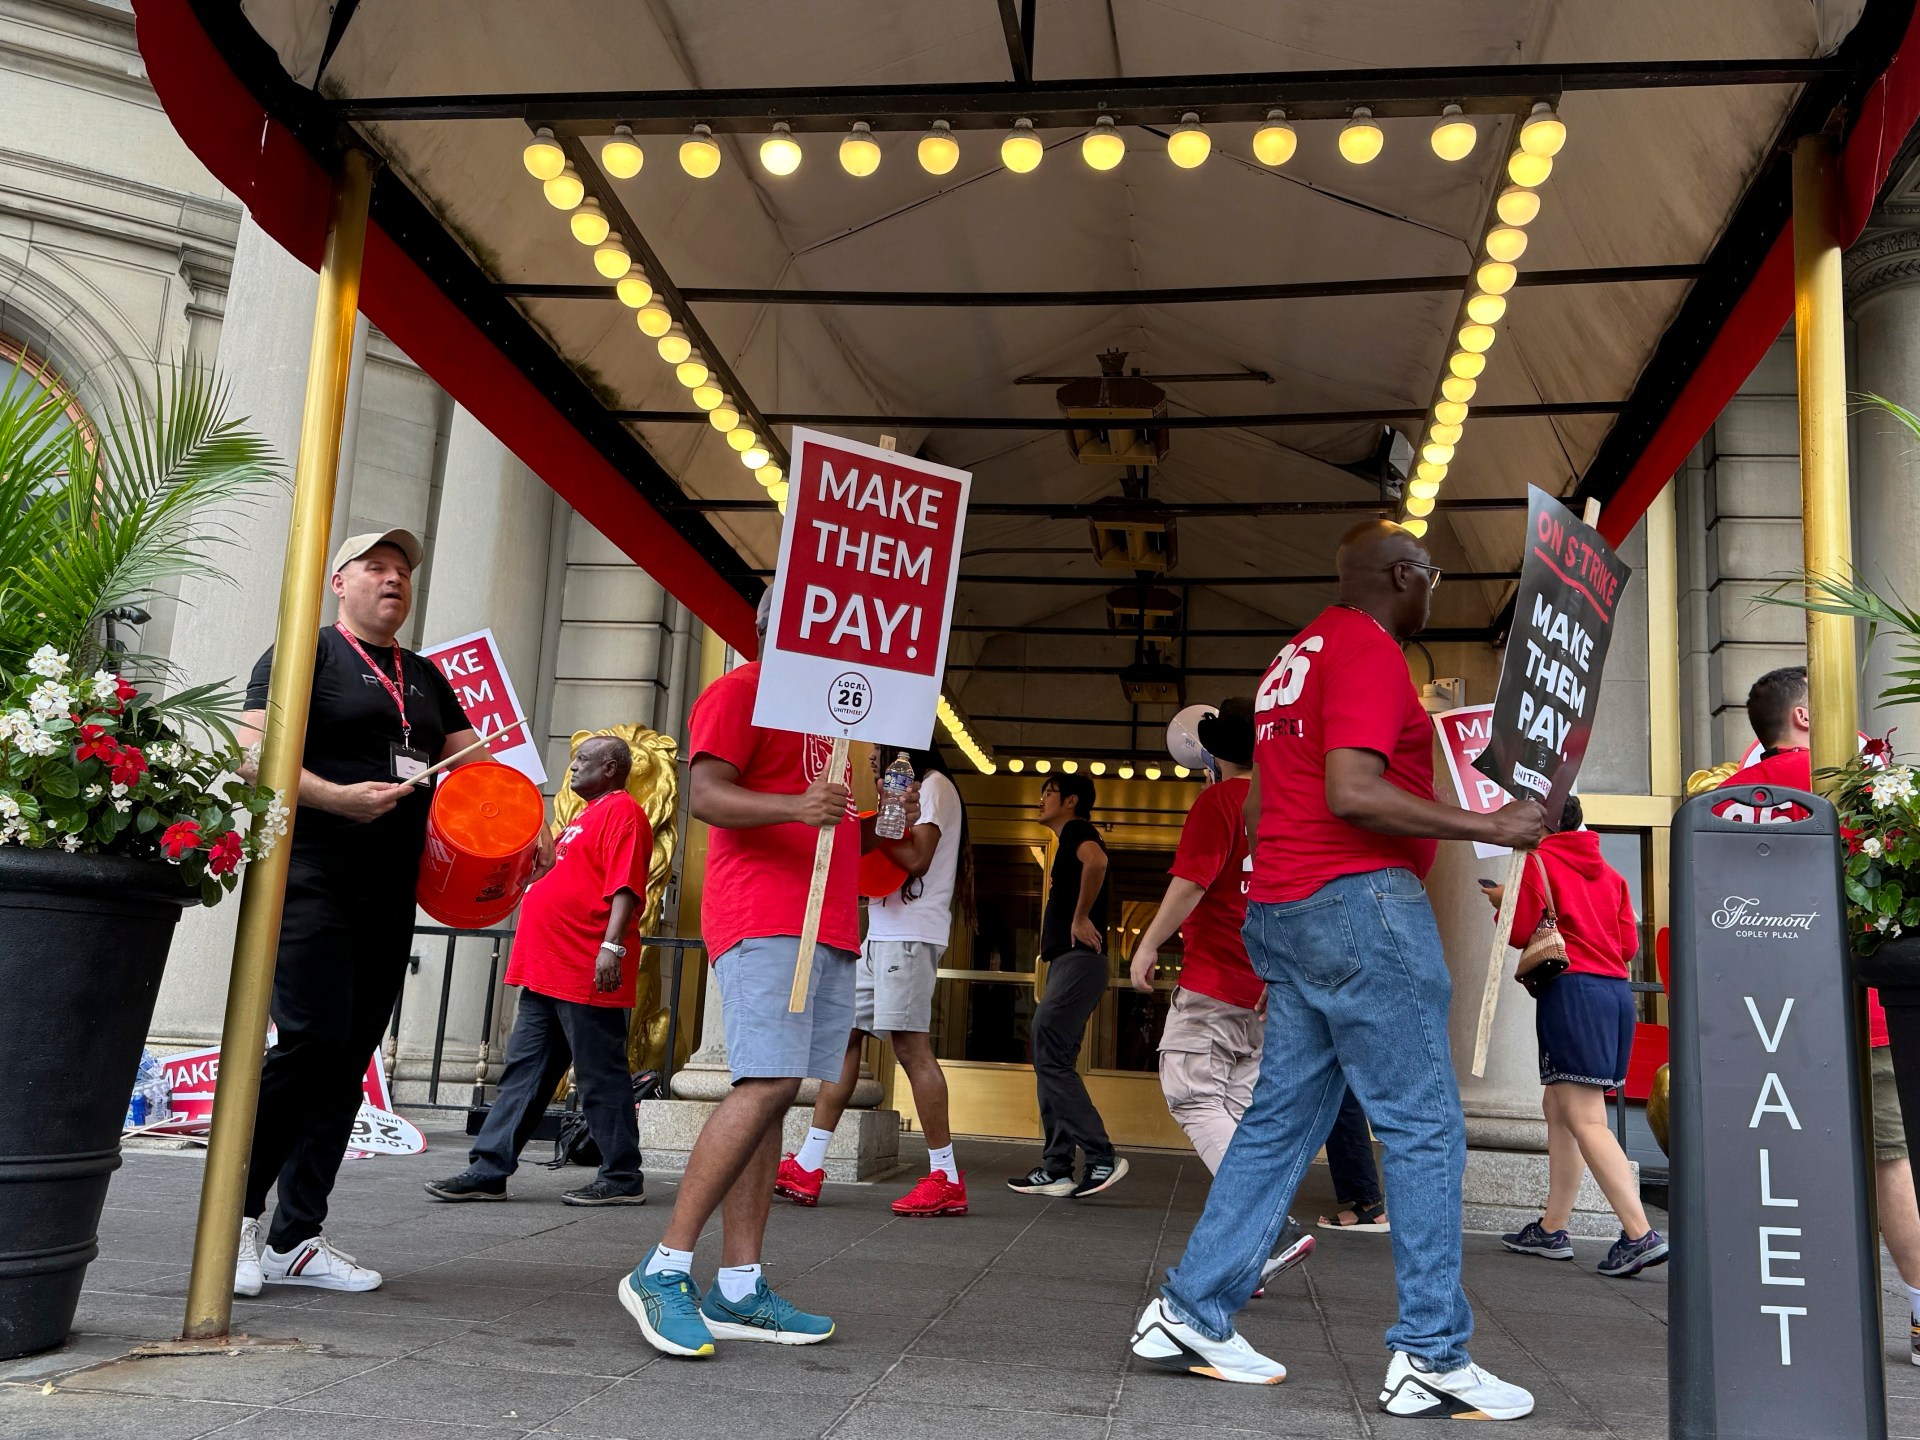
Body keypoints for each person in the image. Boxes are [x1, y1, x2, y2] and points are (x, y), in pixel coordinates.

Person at [1128, 520, 1546, 1419]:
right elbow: (1352, 790)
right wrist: (1490, 827)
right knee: (1425, 1126)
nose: (1434, 589)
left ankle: (1192, 1310)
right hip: (1359, 909)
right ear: (1402, 574)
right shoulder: (1367, 649)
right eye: (1430, 575)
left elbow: (1291, 791)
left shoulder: (1297, 656)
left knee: (1280, 1122)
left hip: (1290, 908)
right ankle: (1432, 1351)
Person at [617, 591, 915, 1359]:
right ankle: (665, 1266)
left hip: (830, 922)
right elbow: (708, 796)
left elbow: (868, 842)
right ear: (773, 624)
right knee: (766, 1084)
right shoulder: (739, 690)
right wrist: (796, 804)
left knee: (777, 1093)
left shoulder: (846, 721)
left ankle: (741, 1286)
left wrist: (888, 822)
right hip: (764, 914)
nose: (841, 628)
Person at [232, 529, 482, 1296]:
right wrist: (338, 799)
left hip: (390, 887)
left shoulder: (427, 676)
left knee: (349, 1058)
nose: (392, 580)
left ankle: (297, 1238)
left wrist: (515, 834)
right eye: (375, 568)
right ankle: (235, 1220)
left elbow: (477, 775)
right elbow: (250, 754)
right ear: (340, 583)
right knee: (308, 1040)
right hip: (308, 873)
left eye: (402, 571)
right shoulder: (304, 655)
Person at [1718, 665, 1920, 1360]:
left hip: (1772, 1017)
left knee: (1798, 1163)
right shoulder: (1853, 779)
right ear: (1807, 716)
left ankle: (1811, 1307)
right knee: (1893, 1161)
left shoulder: (1728, 798)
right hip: (1869, 1008)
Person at [1129, 697, 1313, 1284]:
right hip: (1267, 990)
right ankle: (1244, 1253)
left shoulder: (1220, 802)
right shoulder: (1291, 807)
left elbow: (1191, 883)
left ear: (1215, 751)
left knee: (1194, 1098)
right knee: (1235, 1111)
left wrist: (1147, 942)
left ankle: (1269, 1231)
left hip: (1214, 980)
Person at [424, 735, 651, 1207]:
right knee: (524, 1072)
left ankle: (623, 1176)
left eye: (583, 760)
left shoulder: (623, 812)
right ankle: (489, 1170)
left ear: (610, 768)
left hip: (583, 964)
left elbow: (625, 884)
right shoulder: (584, 816)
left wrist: (611, 945)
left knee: (599, 1074)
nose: (572, 767)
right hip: (546, 964)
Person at [777, 745, 973, 1216]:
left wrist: (877, 825)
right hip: (882, 933)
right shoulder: (910, 788)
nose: (869, 760)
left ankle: (945, 1175)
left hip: (909, 936)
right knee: (844, 1039)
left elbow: (917, 858)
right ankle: (808, 1162)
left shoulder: (935, 787)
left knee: (910, 1047)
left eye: (876, 751)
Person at [1492, 795, 1668, 1276]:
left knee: (1586, 1117)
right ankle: (1552, 1227)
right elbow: (1628, 943)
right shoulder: (1611, 874)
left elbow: (1519, 930)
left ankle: (1639, 1233)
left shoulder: (1538, 862)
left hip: (1572, 992)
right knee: (1560, 1109)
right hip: (1614, 994)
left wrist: (1502, 900)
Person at [1008, 771, 1127, 1199]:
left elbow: (1097, 862)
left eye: (1050, 792)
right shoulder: (1065, 842)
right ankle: (1057, 1167)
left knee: (1048, 1049)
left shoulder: (1079, 829)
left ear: (1072, 800)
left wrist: (1080, 918)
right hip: (1067, 963)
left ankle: (1100, 1156)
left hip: (1080, 961)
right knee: (1051, 1057)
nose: (1042, 798)